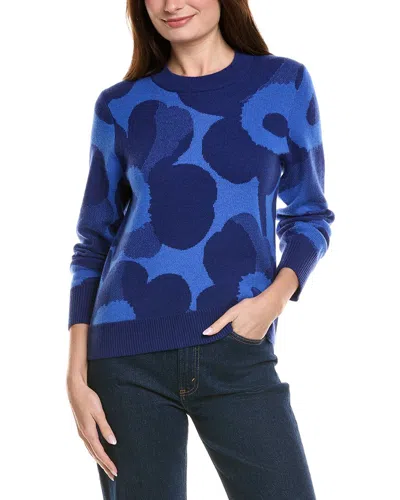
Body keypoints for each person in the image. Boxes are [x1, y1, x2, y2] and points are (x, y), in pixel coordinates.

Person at [66, 0, 335, 498]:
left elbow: (310, 216)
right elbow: (93, 243)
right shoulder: (120, 106)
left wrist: (272, 302)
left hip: (237, 347)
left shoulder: (284, 84)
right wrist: (75, 375)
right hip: (124, 357)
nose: (171, 4)